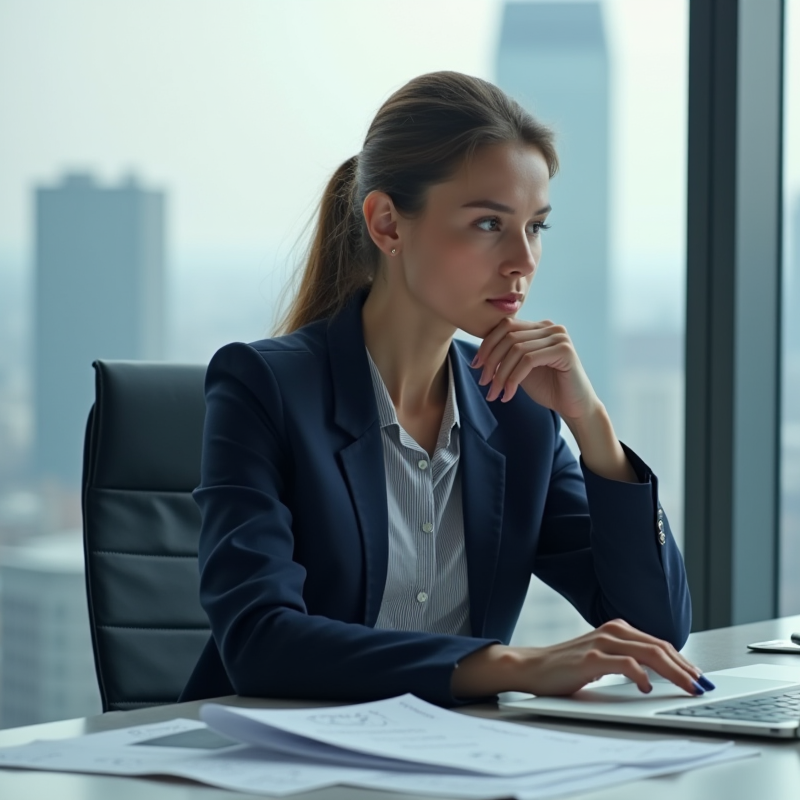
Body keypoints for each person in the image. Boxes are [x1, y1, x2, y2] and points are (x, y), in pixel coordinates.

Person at [180, 71, 713, 707]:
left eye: (536, 226)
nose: (522, 260)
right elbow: (260, 643)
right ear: (387, 224)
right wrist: (512, 665)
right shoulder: (265, 388)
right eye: (489, 223)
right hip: (279, 760)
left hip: (458, 760)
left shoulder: (516, 412)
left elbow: (656, 628)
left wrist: (590, 425)